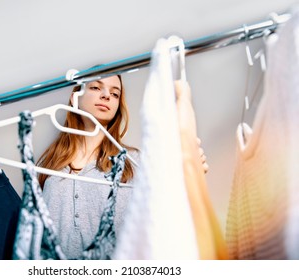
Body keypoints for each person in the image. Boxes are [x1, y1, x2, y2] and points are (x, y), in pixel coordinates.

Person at [36, 75, 209, 259]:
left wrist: (192, 173)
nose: (106, 96)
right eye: (96, 88)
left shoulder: (135, 162)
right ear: (75, 97)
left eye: (115, 93)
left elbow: (171, 208)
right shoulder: (48, 164)